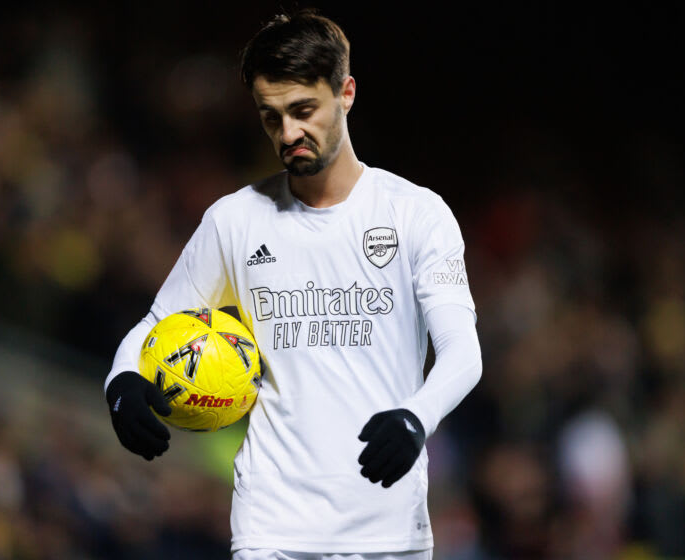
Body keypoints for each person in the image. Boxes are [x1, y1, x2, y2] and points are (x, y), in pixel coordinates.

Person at [104, 10, 483, 560]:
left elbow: (462, 352)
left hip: (387, 530)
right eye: (270, 117)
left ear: (346, 93)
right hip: (271, 529)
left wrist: (415, 417)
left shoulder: (416, 215)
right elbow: (155, 325)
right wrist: (122, 383)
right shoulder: (235, 221)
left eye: (303, 111)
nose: (288, 134)